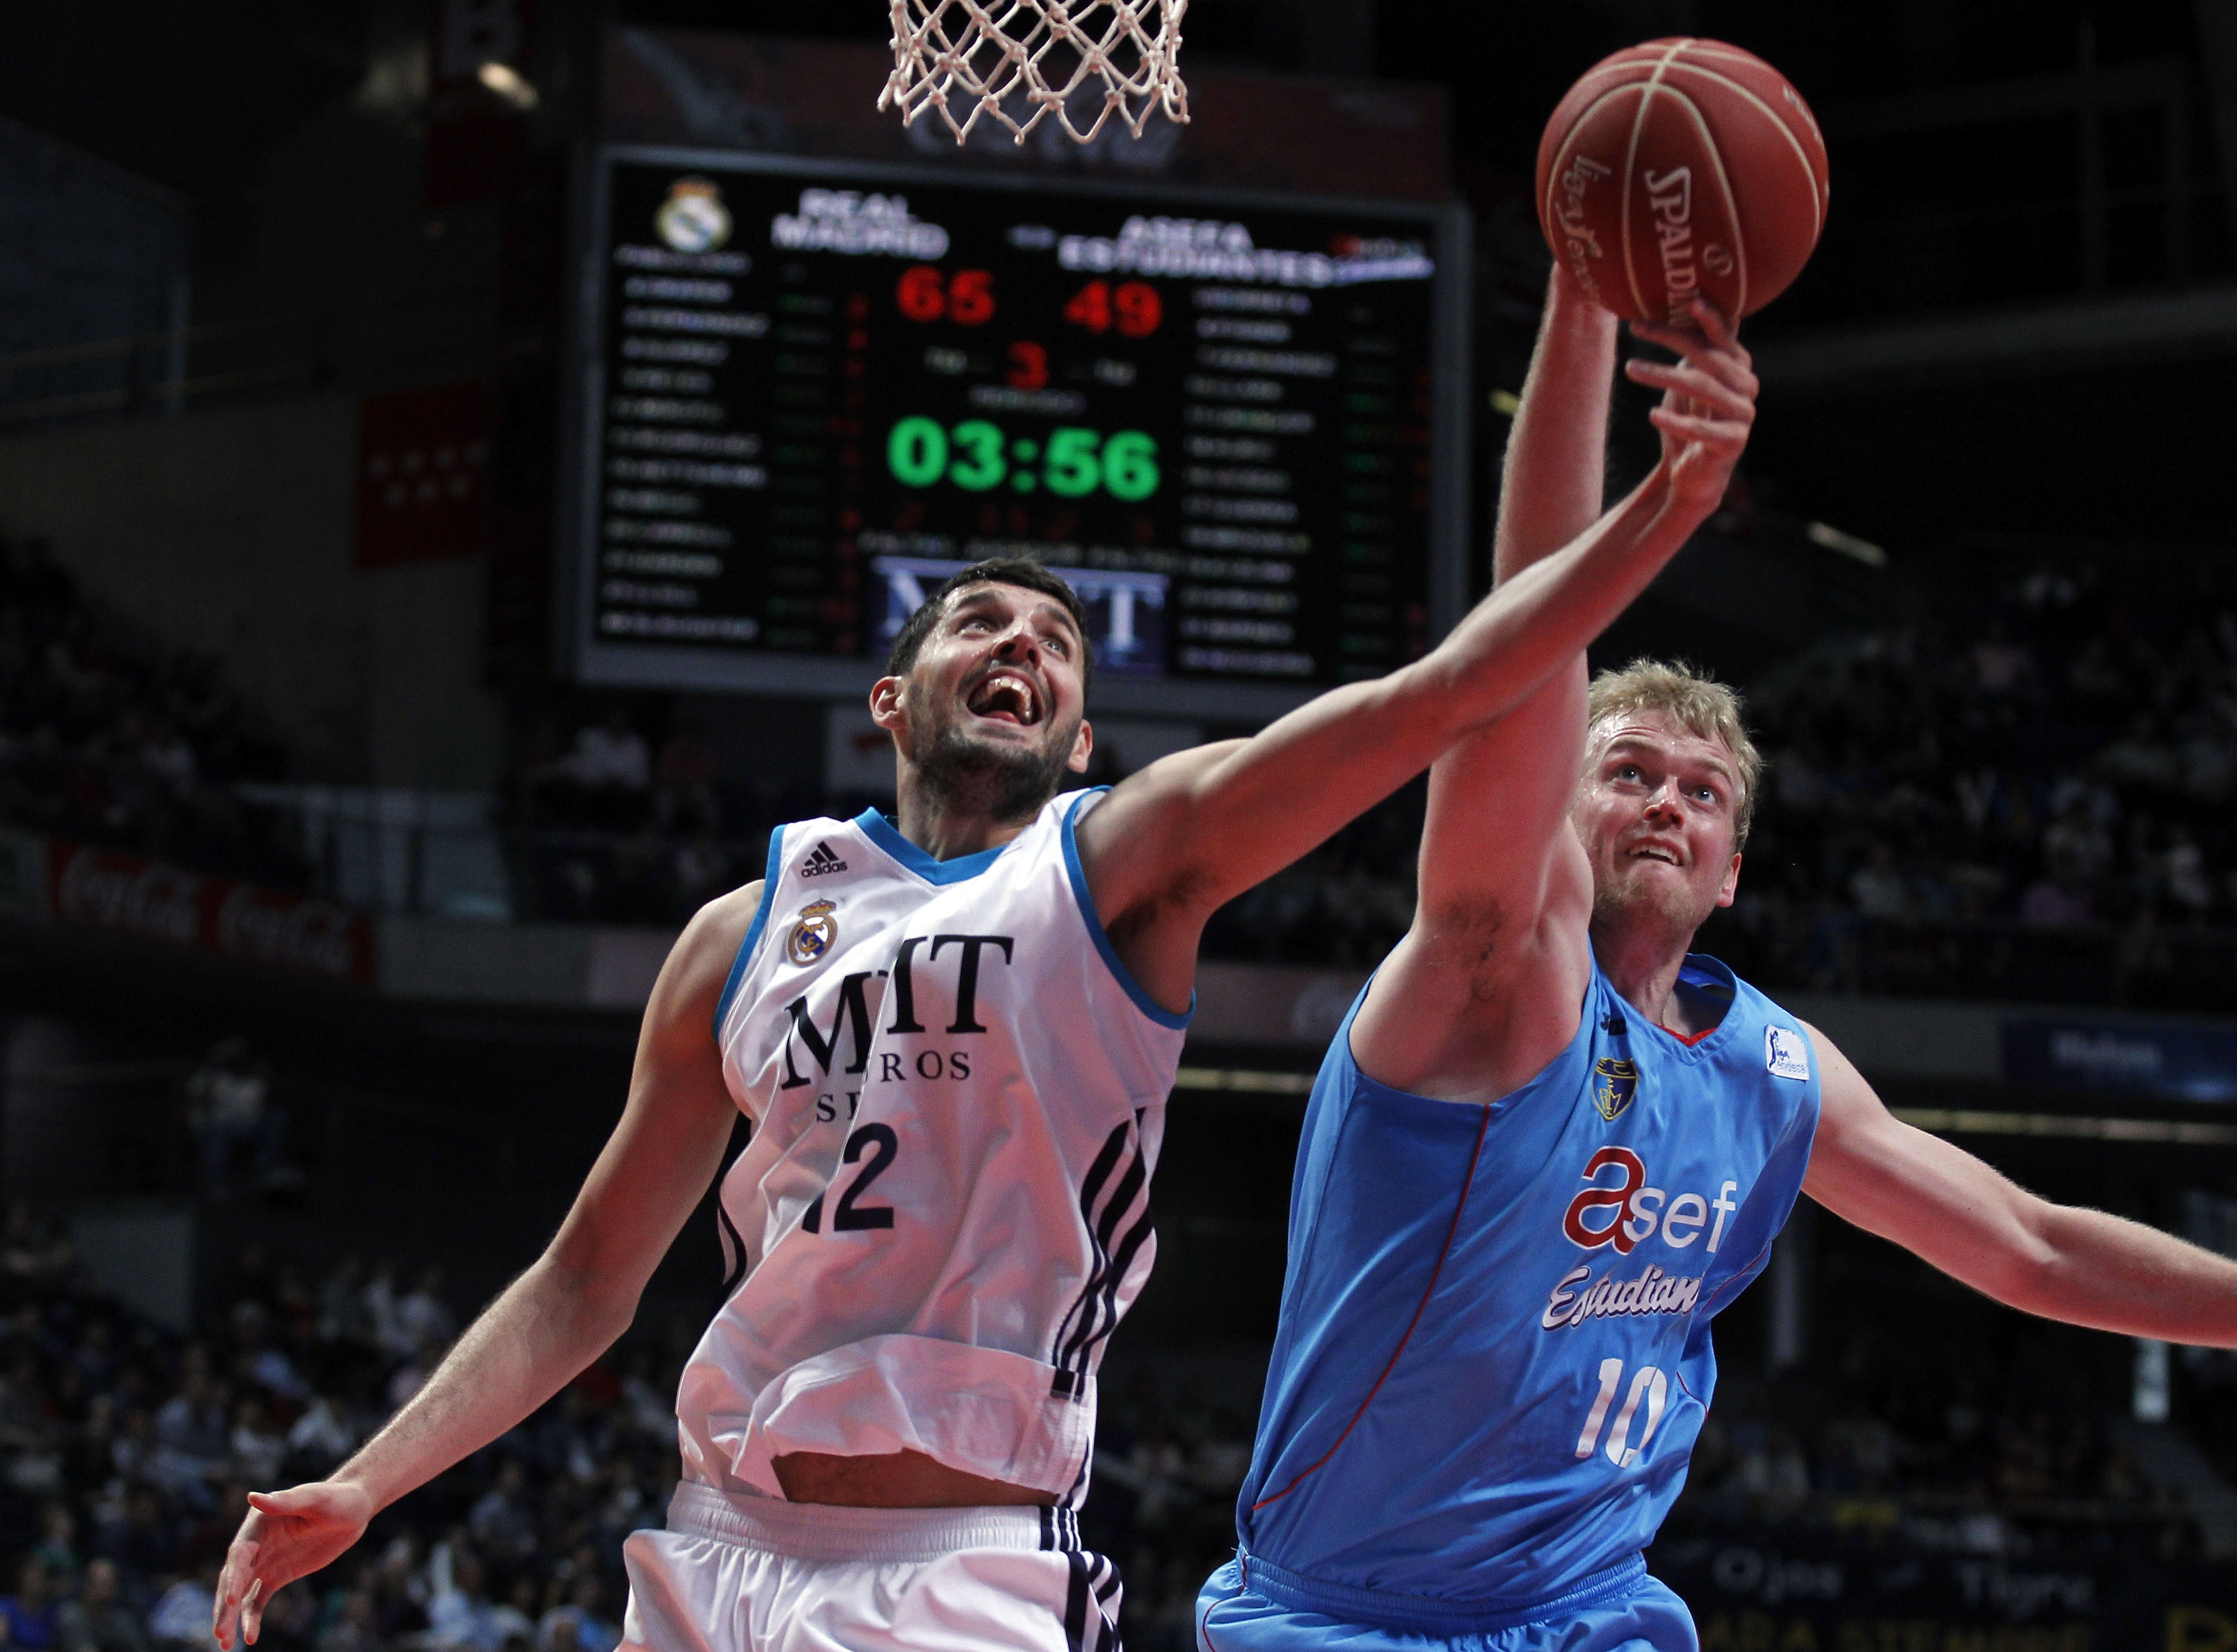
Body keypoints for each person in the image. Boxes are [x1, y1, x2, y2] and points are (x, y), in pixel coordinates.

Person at [212, 299, 1761, 1652]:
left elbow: (1447, 694)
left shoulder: (1124, 861)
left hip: (964, 1570)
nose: (1019, 645)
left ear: (1082, 736)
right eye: (980, 624)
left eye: (1055, 642)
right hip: (712, 1546)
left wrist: (1662, 516)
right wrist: (366, 1476)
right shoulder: (743, 929)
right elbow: (582, 1282)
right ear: (897, 693)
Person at [1196, 270, 2237, 1652]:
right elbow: (1521, 646)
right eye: (1627, 773)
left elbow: (2034, 1248)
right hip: (1345, 1619)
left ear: (1733, 872)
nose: (1667, 805)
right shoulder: (1484, 983)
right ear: (1555, 810)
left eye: (1702, 794)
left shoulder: (1771, 1071)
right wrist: (1582, 294)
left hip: (1588, 1614)